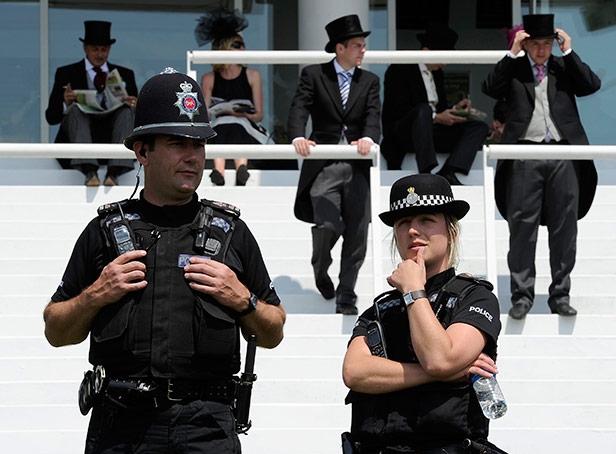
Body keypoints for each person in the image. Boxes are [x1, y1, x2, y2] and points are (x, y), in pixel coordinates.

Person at [43, 68, 286, 454]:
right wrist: (97, 293)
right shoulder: (104, 232)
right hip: (122, 434)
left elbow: (274, 330)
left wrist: (242, 299)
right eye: (178, 143)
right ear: (142, 151)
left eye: (199, 145)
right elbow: (56, 330)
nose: (193, 156)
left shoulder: (231, 233)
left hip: (206, 433)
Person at [342, 173, 502, 454]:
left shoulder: (474, 296)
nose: (413, 230)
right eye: (402, 223)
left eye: (427, 219)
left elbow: (439, 358)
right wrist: (443, 373)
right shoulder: (380, 308)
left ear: (451, 232)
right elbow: (355, 373)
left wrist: (414, 291)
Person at [482, 13, 600, 320]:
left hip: (564, 154)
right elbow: (490, 88)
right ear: (526, 43)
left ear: (554, 43)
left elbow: (591, 85)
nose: (542, 50)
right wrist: (512, 54)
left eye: (547, 43)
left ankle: (560, 295)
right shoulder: (516, 70)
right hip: (524, 154)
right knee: (522, 227)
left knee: (565, 227)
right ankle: (522, 296)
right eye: (535, 43)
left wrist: (569, 51)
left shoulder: (563, 67)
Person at [288, 14, 380, 315]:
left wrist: (368, 138)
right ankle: (320, 267)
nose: (362, 51)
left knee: (357, 232)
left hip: (357, 164)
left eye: (363, 45)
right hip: (323, 162)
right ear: (339, 48)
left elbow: (372, 116)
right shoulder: (314, 74)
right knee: (326, 223)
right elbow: (300, 106)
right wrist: (298, 137)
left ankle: (346, 295)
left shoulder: (370, 81)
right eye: (357, 45)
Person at [381, 23, 489, 185]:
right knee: (423, 110)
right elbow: (396, 111)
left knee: (479, 126)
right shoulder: (399, 69)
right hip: (405, 134)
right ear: (426, 52)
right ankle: (426, 171)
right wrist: (436, 117)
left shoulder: (437, 74)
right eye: (443, 58)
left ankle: (450, 170)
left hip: (432, 134)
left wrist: (454, 110)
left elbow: (440, 110)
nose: (445, 64)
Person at [45, 20, 138, 186]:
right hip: (79, 139)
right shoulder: (66, 73)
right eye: (95, 49)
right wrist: (65, 104)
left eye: (104, 50)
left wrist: (136, 108)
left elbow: (138, 120)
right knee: (75, 110)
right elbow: (51, 117)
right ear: (85, 48)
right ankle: (89, 171)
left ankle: (114, 172)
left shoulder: (126, 74)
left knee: (126, 111)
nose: (100, 54)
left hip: (112, 138)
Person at [196, 9, 266, 186]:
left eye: (242, 44)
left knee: (236, 122)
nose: (242, 48)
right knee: (223, 121)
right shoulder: (209, 78)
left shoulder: (252, 74)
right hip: (220, 127)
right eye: (237, 44)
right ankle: (219, 171)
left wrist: (243, 115)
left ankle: (239, 168)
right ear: (225, 47)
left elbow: (259, 115)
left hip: (247, 126)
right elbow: (205, 115)